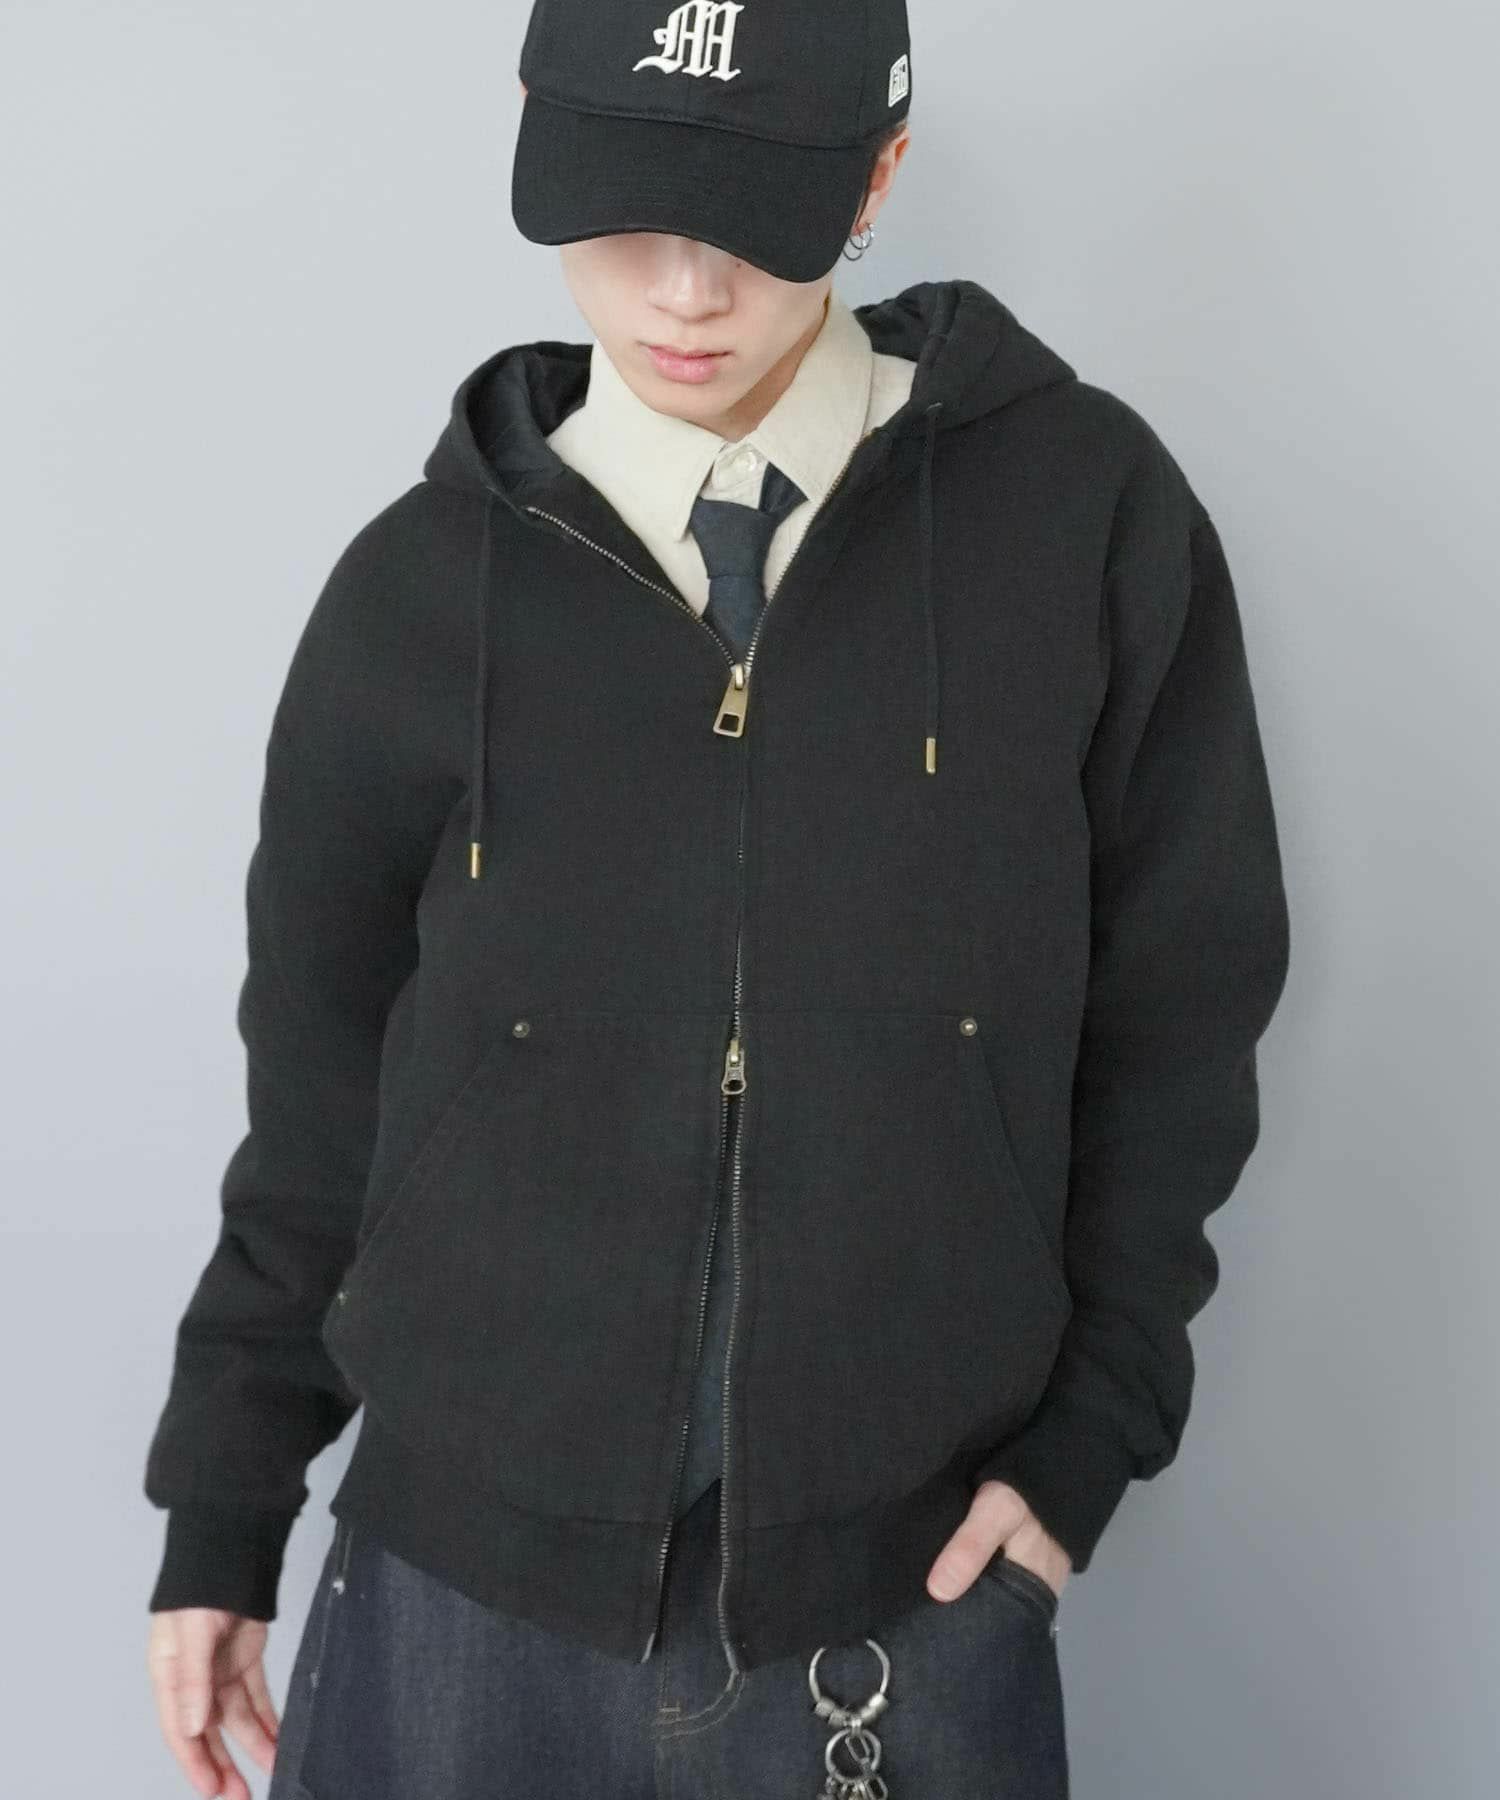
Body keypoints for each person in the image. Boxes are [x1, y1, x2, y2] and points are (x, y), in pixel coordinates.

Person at [143, 1, 1292, 1795]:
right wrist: (224, 1507)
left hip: (909, 1604)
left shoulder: (1086, 525)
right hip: (457, 1615)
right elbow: (316, 1098)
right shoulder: (418, 592)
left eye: (753, 219)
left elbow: (1183, 1019)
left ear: (877, 176)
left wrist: (1088, 1444)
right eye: (629, 214)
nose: (687, 292)